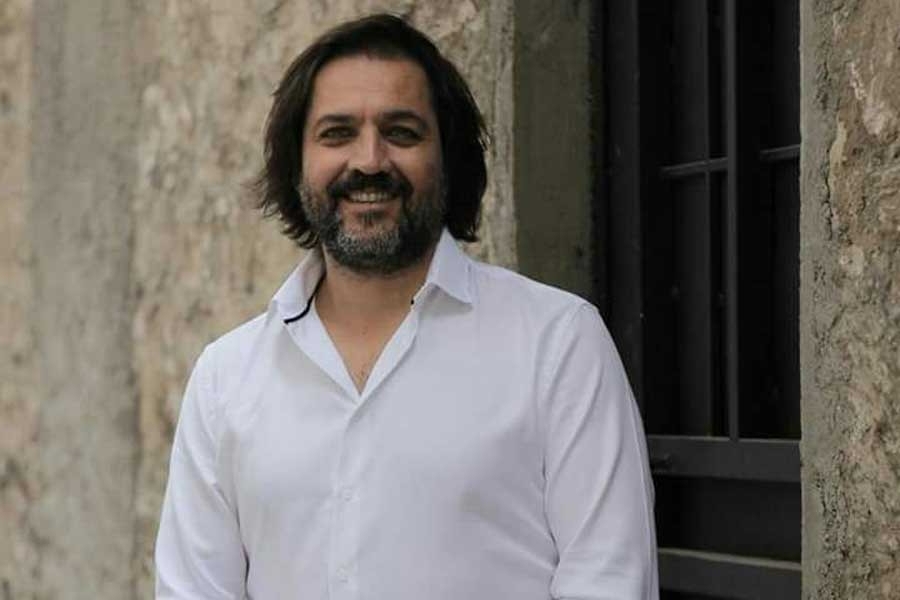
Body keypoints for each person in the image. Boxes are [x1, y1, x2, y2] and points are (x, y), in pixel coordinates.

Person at [155, 13, 658, 600]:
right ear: (297, 164)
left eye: (402, 132)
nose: (369, 161)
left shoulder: (558, 343)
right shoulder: (225, 378)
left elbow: (610, 580)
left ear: (448, 157)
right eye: (337, 133)